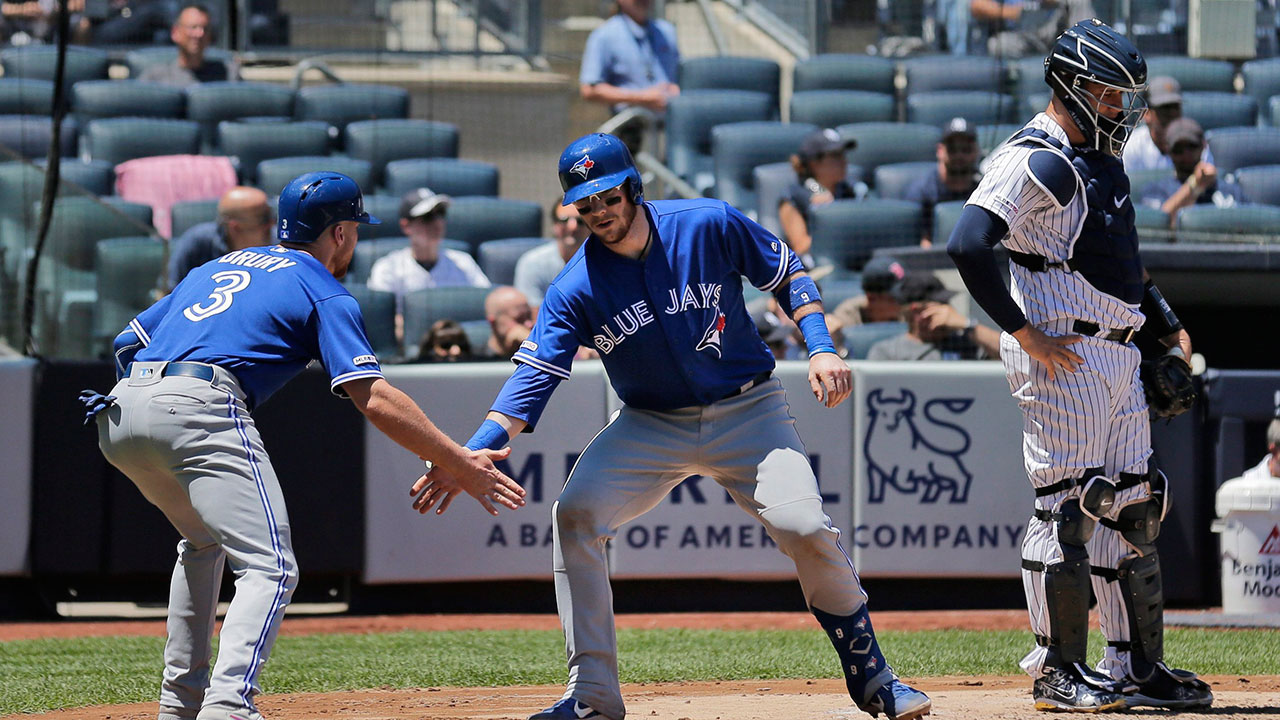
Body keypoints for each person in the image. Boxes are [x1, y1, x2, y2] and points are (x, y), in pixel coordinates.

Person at [409, 133, 932, 720]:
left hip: (749, 410)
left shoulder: (706, 222)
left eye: (607, 195)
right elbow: (530, 384)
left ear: (632, 186)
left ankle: (875, 679)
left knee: (806, 525)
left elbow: (789, 274)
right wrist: (469, 452)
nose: (598, 211)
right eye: (585, 203)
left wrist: (820, 347)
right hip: (650, 423)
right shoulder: (574, 285)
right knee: (574, 514)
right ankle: (592, 697)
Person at [81, 171, 524, 720]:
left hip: (120, 409)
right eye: (355, 229)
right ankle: (228, 706)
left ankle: (180, 706)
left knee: (201, 544)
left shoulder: (216, 265)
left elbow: (129, 340)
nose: (355, 241)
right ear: (338, 233)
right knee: (271, 568)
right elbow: (375, 398)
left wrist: (144, 397)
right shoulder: (321, 285)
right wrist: (460, 461)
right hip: (199, 403)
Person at [947, 19, 1212, 712]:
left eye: (1124, 96)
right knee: (1066, 509)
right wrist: (1023, 333)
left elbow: (1121, 262)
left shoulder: (1101, 160)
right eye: (1107, 93)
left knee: (1133, 507)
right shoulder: (1037, 157)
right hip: (1061, 349)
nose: (1120, 108)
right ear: (1070, 84)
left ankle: (1134, 667)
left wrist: (1166, 325)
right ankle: (1054, 671)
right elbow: (969, 242)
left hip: (1115, 351)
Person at [366, 187, 490, 341]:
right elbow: (382, 322)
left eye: (440, 214)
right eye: (427, 217)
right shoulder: (387, 267)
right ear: (406, 226)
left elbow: (487, 306)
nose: (437, 222)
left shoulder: (463, 262)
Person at [866, 272, 1000, 361]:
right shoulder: (887, 352)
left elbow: (1014, 356)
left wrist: (967, 325)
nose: (946, 310)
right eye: (939, 305)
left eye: (946, 303)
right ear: (915, 311)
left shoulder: (965, 342)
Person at [579, 0, 679, 115]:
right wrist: (642, 97)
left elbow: (682, 77)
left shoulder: (666, 31)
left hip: (673, 123)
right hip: (632, 125)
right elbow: (589, 89)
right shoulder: (604, 36)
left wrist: (678, 90)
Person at [779, 128, 861, 268]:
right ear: (814, 162)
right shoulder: (793, 197)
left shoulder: (851, 191)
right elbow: (800, 246)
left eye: (843, 155)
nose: (844, 161)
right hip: (815, 269)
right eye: (835, 156)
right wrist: (825, 217)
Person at [168, 186, 274, 290]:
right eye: (263, 219)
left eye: (272, 216)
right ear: (235, 227)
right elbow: (171, 294)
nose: (271, 224)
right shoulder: (198, 245)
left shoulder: (278, 247)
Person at [1138, 117, 1242, 222]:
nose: (1186, 155)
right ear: (1168, 149)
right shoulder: (1156, 190)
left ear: (1203, 146)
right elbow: (1159, 223)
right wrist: (1194, 184)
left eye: (1192, 146)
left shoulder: (1229, 189)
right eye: (1178, 149)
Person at [904, 117, 982, 247]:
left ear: (976, 151)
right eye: (952, 149)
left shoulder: (984, 190)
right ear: (939, 150)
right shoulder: (921, 192)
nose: (959, 155)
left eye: (966, 149)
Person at [1121, 76, 1214, 173]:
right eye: (1164, 109)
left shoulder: (1195, 143)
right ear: (1146, 114)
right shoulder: (1132, 147)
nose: (1172, 114)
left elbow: (1208, 181)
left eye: (1176, 108)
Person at [138, 3, 238, 88]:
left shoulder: (228, 75)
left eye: (205, 28)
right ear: (175, 33)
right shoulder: (154, 77)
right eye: (193, 27)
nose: (199, 34)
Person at [514, 201, 590, 310]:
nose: (573, 227)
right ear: (554, 225)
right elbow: (535, 317)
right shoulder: (532, 263)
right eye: (564, 220)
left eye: (580, 221)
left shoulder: (603, 260)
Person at [971, 0, 1095, 57]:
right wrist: (1011, 12)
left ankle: (1084, 53)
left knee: (1079, 1)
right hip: (1020, 32)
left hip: (1053, 26)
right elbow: (977, 6)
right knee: (997, 45)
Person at [830, 254, 907, 330]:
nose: (902, 303)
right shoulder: (848, 316)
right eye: (894, 299)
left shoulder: (907, 313)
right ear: (872, 298)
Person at [477, 285, 534, 360]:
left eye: (529, 316)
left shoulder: (535, 358)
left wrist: (530, 343)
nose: (529, 324)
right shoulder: (476, 359)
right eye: (519, 319)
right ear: (493, 323)